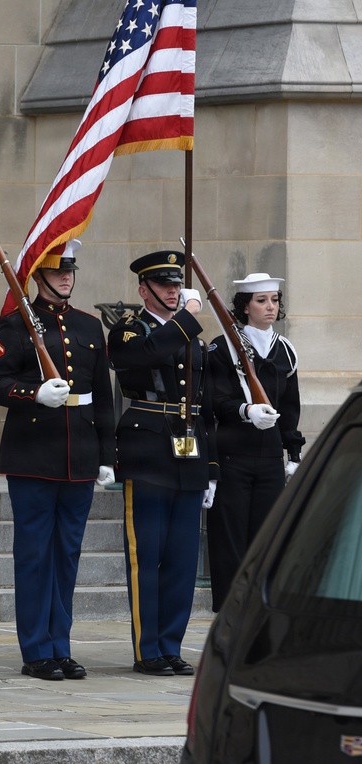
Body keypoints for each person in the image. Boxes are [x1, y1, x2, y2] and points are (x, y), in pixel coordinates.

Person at [0, 240, 116, 680]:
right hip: (32, 456)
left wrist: (105, 453)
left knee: (67, 555)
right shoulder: (15, 325)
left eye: (70, 271)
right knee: (35, 555)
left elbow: (102, 398)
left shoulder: (89, 327)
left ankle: (60, 644)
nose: (66, 277)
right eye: (57, 272)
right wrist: (33, 393)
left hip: (78, 454)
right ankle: (37, 650)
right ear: (37, 278)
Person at [107, 251, 217, 677]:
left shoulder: (192, 338)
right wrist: (187, 317)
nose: (174, 290)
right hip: (148, 450)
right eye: (164, 285)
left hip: (188, 451)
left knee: (182, 559)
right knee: (146, 555)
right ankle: (146, 648)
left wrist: (211, 468)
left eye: (177, 284)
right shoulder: (129, 331)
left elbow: (201, 404)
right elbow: (146, 356)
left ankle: (171, 644)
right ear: (144, 290)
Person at [207, 272, 304, 611]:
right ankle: (231, 610)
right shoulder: (222, 348)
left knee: (268, 538)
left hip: (269, 460)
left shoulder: (285, 351)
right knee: (230, 539)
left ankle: (261, 608)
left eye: (275, 301)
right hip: (233, 454)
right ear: (245, 307)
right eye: (261, 301)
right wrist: (245, 410)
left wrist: (292, 451)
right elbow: (214, 401)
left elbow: (290, 407)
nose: (270, 307)